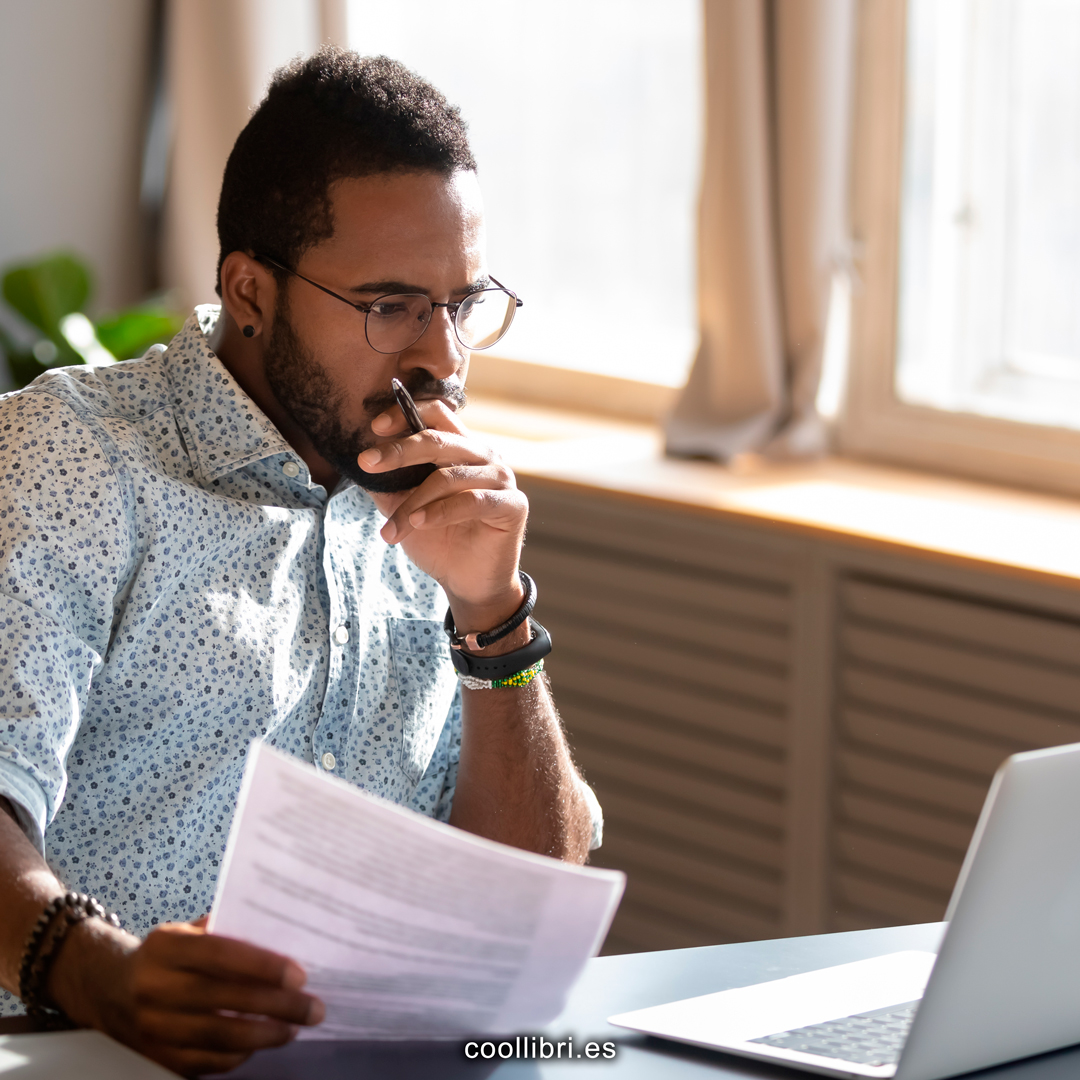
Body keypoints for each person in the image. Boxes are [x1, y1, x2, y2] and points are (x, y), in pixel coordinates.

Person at [0, 48, 601, 1076]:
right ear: (250, 293)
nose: (442, 360)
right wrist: (104, 973)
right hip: (85, 1053)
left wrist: (492, 615)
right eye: (390, 305)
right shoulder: (75, 459)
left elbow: (526, 893)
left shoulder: (433, 495)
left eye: (461, 305)